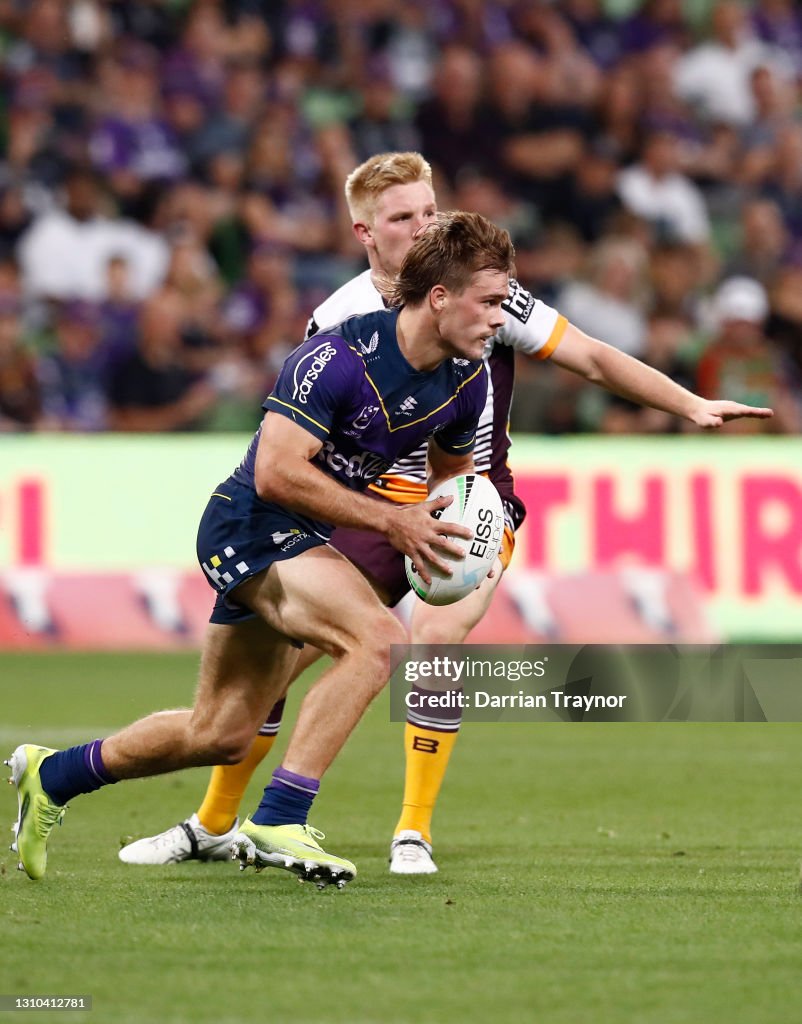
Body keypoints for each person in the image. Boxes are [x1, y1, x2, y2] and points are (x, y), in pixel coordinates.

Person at [116, 152, 772, 877]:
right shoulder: (336, 320)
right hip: (372, 511)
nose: (425, 226)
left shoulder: (490, 293)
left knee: (432, 634)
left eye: (430, 210)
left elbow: (587, 356)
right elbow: (295, 446)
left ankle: (413, 831)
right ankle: (213, 825)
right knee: (279, 661)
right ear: (366, 232)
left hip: (469, 495)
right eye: (404, 218)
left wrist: (688, 403)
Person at [7, 210, 517, 885]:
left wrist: (446, 530)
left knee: (219, 732)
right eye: (489, 302)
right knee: (373, 641)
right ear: (442, 298)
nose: (499, 320)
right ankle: (281, 816)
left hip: (304, 537)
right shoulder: (336, 359)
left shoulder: (465, 380)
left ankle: (55, 774)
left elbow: (451, 478)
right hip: (248, 523)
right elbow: (278, 472)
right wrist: (394, 524)